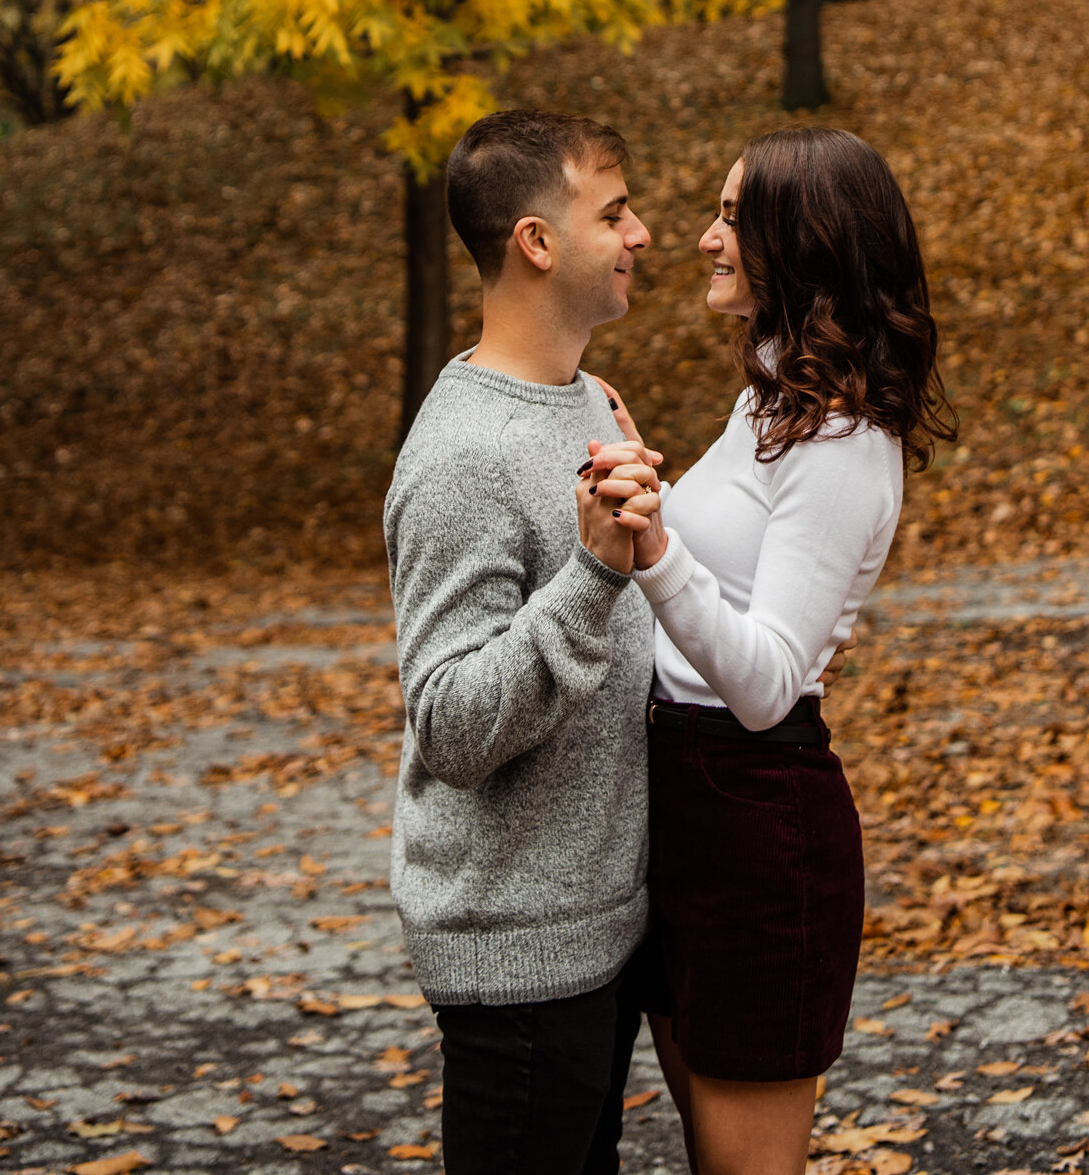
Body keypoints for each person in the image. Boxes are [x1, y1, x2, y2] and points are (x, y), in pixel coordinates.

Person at [588, 126, 956, 1175]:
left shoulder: (842, 442)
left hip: (758, 820)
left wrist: (654, 541)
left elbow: (762, 681)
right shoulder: (769, 405)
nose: (704, 238)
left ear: (806, 241)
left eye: (733, 217)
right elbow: (715, 591)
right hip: (683, 801)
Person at [383, 108, 663, 1175]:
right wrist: (594, 571)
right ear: (536, 241)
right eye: (615, 210)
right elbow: (449, 719)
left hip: (598, 934)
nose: (639, 233)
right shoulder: (463, 452)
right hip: (519, 956)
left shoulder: (582, 398)